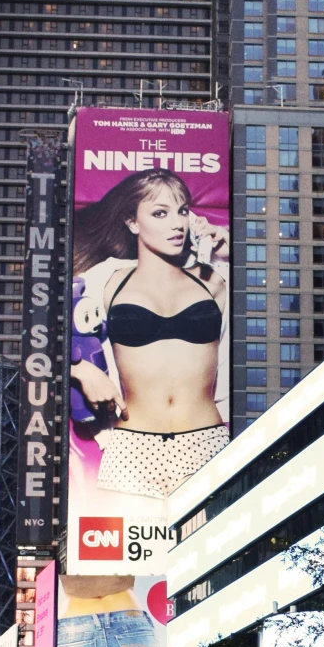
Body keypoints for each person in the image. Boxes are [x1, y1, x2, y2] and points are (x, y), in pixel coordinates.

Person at [67, 167, 231, 501]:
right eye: (160, 213)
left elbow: (275, 300)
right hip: (131, 447)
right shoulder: (104, 281)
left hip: (207, 442)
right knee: (125, 552)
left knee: (218, 550)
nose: (177, 224)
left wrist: (228, 247)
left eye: (182, 211)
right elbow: (42, 344)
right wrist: (80, 370)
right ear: (132, 222)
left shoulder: (216, 280)